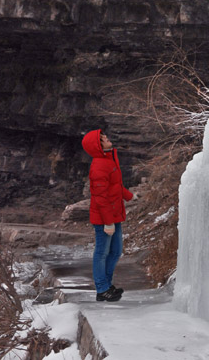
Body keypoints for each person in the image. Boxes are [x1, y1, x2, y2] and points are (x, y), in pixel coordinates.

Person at [81, 129, 134, 302]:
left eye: (104, 136)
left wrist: (129, 196)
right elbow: (100, 198)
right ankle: (102, 289)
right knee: (102, 253)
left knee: (116, 251)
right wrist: (108, 223)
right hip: (105, 217)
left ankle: (106, 286)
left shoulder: (108, 158)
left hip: (114, 213)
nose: (106, 138)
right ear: (98, 146)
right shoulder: (98, 166)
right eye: (102, 138)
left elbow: (115, 186)